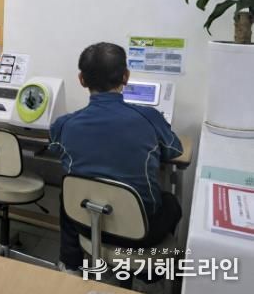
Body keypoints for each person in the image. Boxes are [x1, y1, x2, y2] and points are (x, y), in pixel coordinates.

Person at [49, 42, 183, 272]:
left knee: (69, 194)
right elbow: (175, 150)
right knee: (170, 202)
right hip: (141, 232)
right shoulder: (149, 118)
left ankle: (70, 265)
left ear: (81, 80)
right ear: (125, 76)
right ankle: (152, 274)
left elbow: (54, 148)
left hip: (85, 223)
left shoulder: (64, 125)